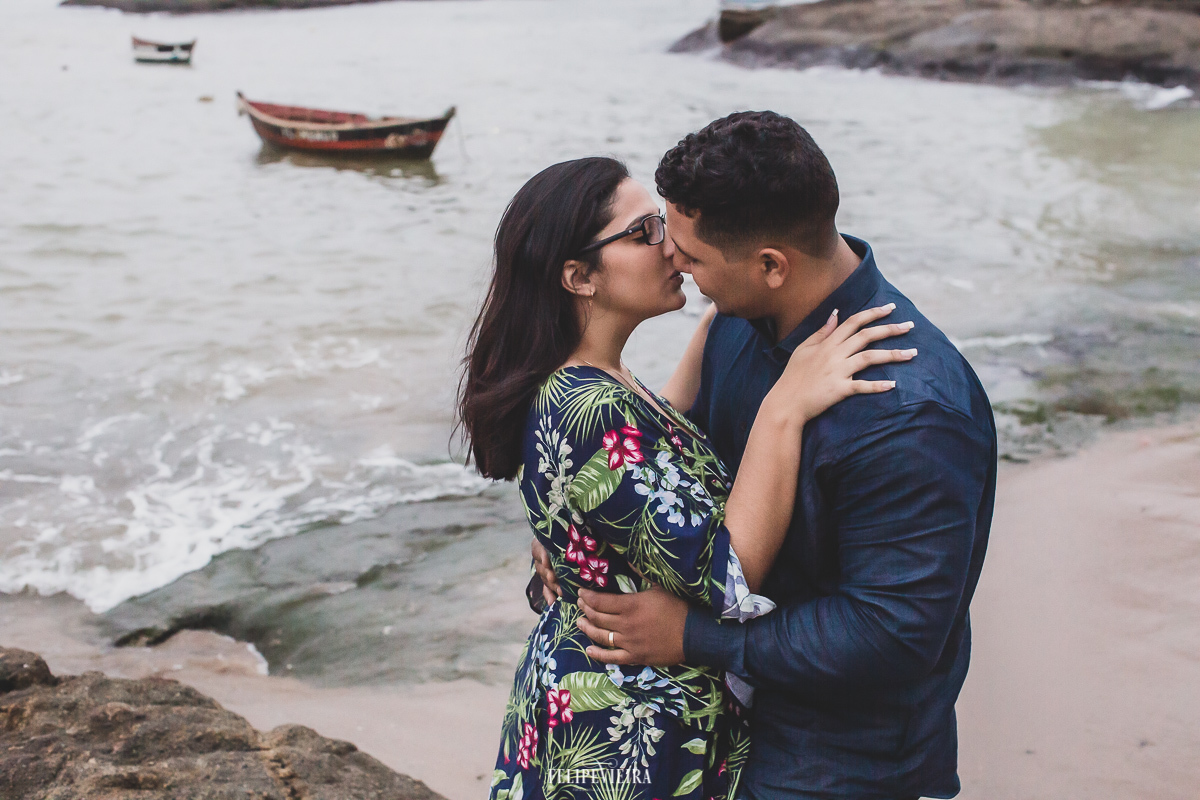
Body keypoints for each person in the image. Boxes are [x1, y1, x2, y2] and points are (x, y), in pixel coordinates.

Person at [534, 112, 998, 800]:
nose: (676, 265)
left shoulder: (909, 412)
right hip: (726, 720)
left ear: (771, 264)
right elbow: (664, 477)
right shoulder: (737, 327)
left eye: (691, 255)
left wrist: (692, 637)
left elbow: (893, 633)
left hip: (838, 757)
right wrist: (577, 543)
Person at [458, 156, 917, 800]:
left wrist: (735, 298)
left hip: (605, 702)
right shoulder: (588, 408)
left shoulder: (601, 385)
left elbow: (658, 449)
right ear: (579, 276)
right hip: (623, 736)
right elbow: (729, 575)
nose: (670, 247)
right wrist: (786, 406)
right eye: (644, 231)